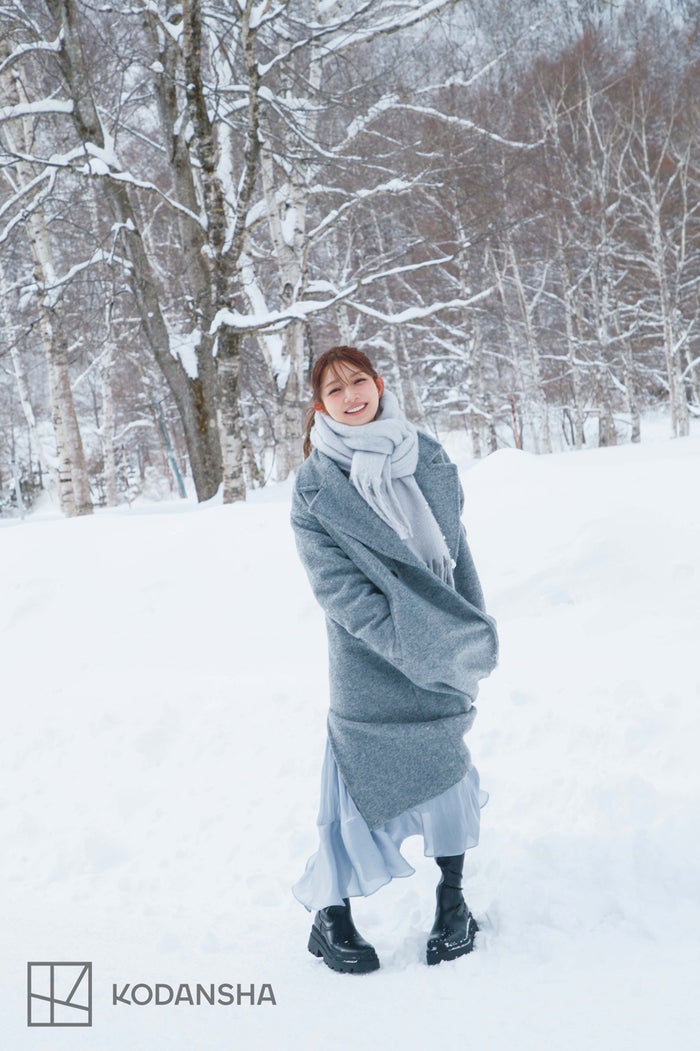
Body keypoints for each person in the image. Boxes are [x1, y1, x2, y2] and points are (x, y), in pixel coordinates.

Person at [290, 346, 498, 974]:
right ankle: (332, 917)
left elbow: (456, 551)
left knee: (448, 769)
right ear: (319, 407)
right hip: (370, 658)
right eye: (334, 390)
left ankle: (453, 902)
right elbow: (336, 589)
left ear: (379, 384)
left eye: (358, 381)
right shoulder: (315, 487)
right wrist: (410, 646)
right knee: (357, 785)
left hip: (442, 643)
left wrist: (467, 628)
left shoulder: (426, 455)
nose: (351, 396)